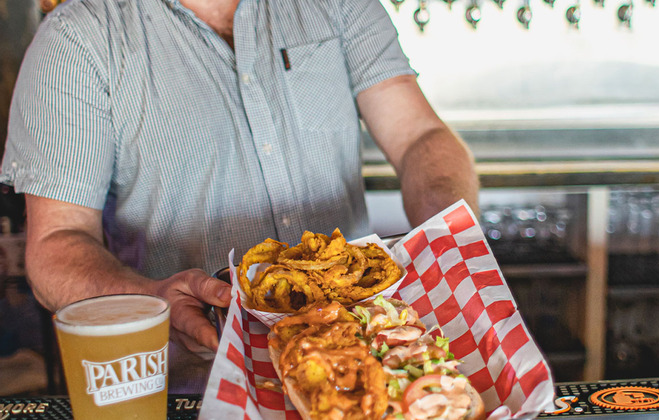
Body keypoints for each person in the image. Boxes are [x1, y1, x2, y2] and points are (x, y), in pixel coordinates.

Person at [0, 0, 479, 392]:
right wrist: (151, 299)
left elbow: (419, 136)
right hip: (194, 383)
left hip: (358, 366)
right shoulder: (79, 37)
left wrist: (449, 236)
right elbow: (56, 242)